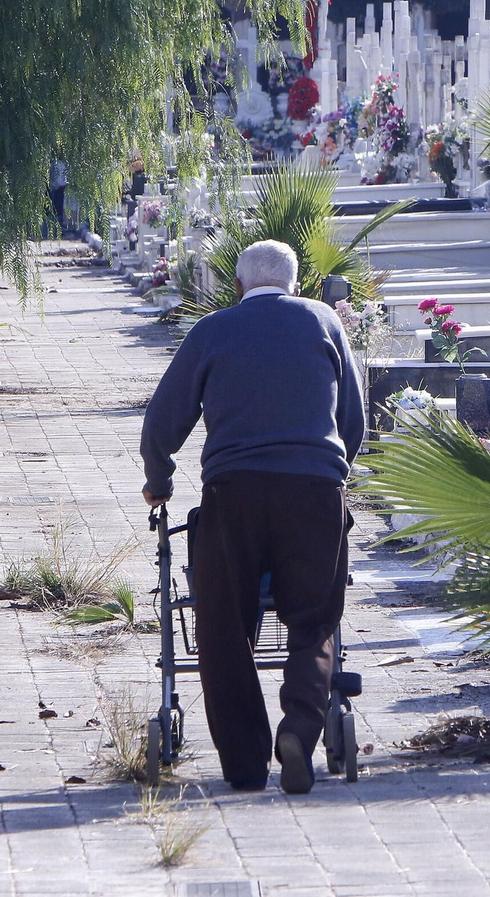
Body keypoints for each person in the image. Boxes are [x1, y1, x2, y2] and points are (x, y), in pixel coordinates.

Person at [139, 240, 365, 794]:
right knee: (314, 621)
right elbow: (353, 420)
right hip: (314, 492)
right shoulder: (323, 321)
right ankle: (301, 729)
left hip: (233, 493)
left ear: (237, 288)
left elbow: (162, 419)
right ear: (296, 283)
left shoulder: (212, 331)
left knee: (223, 626)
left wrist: (160, 481)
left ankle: (243, 765)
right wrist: (334, 474)